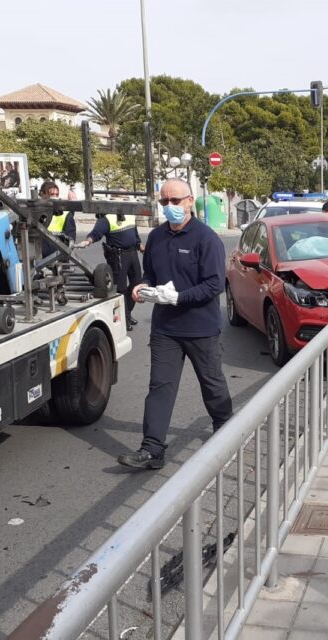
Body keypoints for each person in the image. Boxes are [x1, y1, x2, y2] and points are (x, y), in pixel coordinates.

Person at [117, 179, 233, 470]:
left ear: (190, 201)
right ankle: (152, 449)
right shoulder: (156, 237)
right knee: (160, 387)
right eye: (164, 202)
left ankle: (227, 430)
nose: (170, 207)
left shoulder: (207, 240)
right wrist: (141, 288)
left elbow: (214, 285)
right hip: (165, 329)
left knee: (212, 384)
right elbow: (150, 276)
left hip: (201, 328)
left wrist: (179, 297)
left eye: (175, 201)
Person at [79, 210, 143, 330]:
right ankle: (125, 317)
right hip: (118, 256)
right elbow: (96, 233)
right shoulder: (107, 218)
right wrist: (88, 240)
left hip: (132, 253)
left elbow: (135, 232)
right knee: (121, 288)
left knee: (137, 285)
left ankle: (127, 312)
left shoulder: (129, 214)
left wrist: (139, 244)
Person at [39, 180, 76, 260]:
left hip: (60, 260)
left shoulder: (66, 214)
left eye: (56, 194)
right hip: (39, 259)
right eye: (51, 194)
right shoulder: (36, 214)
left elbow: (71, 239)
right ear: (42, 195)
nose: (55, 197)